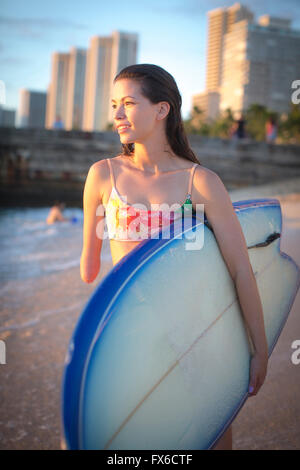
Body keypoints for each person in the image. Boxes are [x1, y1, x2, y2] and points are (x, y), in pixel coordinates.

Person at [80, 64, 268, 450]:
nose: (117, 115)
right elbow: (239, 270)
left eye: (128, 103)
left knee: (207, 433)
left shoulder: (111, 178)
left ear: (162, 109)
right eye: (114, 105)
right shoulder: (194, 182)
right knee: (173, 433)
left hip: (177, 331)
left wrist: (260, 349)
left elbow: (89, 271)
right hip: (154, 332)